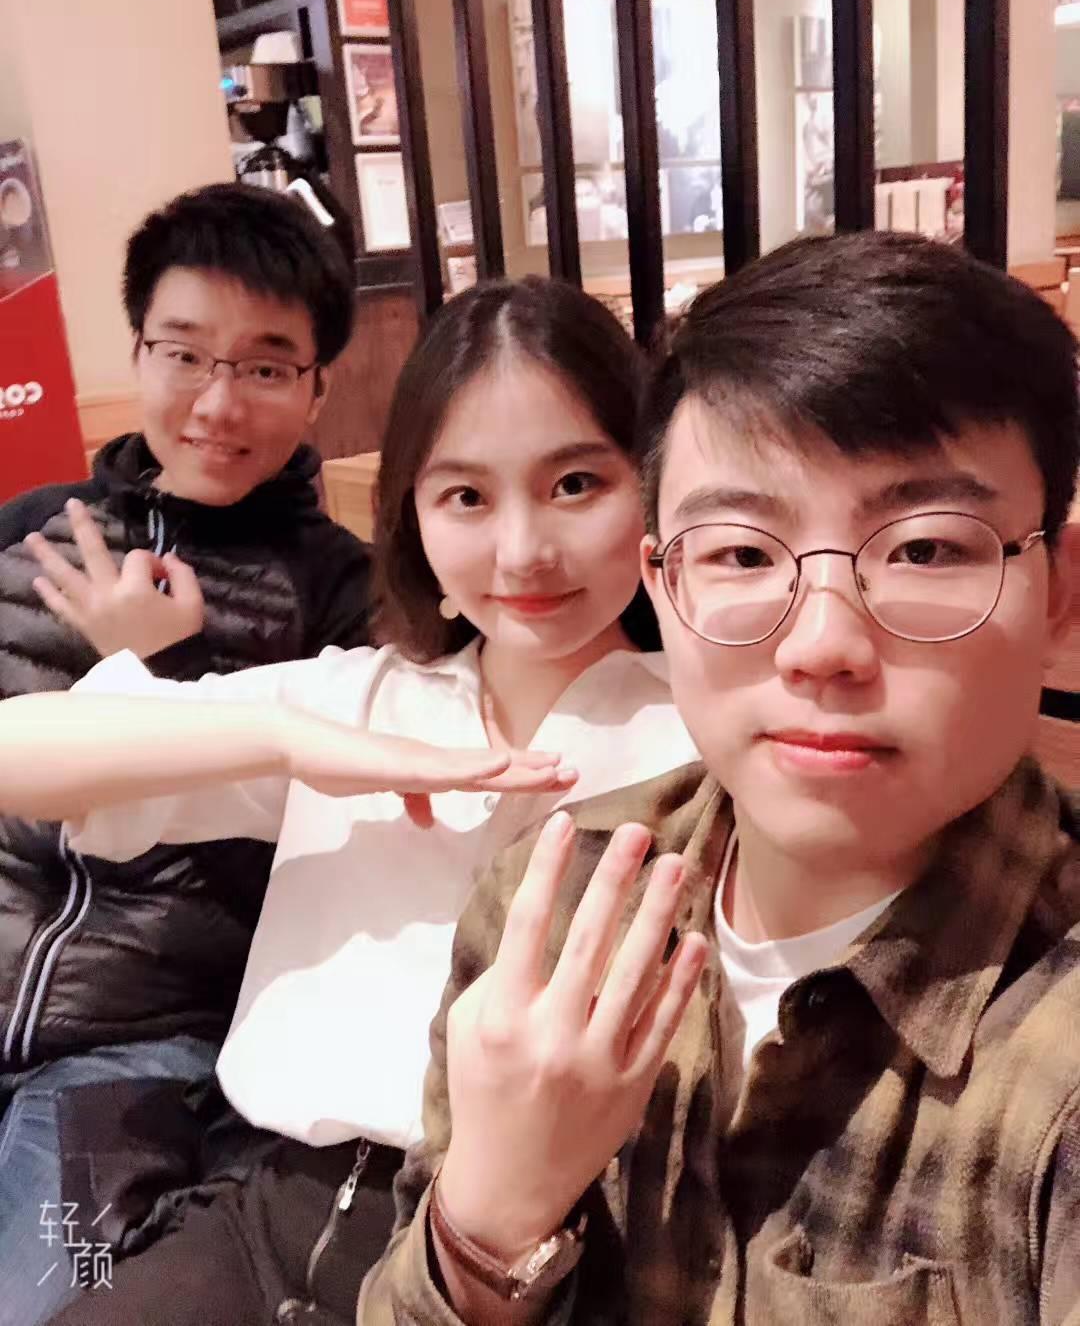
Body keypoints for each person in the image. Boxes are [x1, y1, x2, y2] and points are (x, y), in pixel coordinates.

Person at [354, 231, 1080, 1326]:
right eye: (742, 553)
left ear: (1058, 588)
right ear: (664, 579)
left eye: (927, 549)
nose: (822, 645)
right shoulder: (550, 908)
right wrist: (492, 1220)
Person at [0, 275, 701, 1323]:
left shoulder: (705, 718)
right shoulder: (360, 696)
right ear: (412, 515)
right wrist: (291, 739)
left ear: (649, 485)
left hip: (528, 1251)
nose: (521, 550)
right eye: (465, 497)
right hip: (259, 1212)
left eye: (574, 484)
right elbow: (19, 753)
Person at [0, 181, 373, 1325]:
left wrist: (158, 672)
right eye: (185, 353)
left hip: (131, 1055)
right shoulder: (25, 530)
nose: (219, 402)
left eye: (265, 366)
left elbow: (320, 840)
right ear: (138, 351)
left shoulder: (342, 592)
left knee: (50, 1301)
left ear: (316, 388)